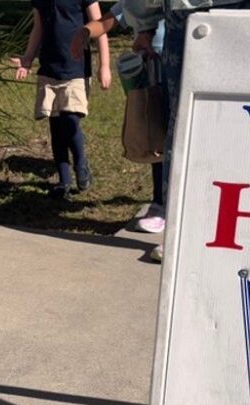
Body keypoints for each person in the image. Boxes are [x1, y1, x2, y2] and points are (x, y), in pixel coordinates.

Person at [74, 0, 250, 261]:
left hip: (242, 14)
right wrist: (144, 27)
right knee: (182, 127)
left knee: (242, 123)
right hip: (186, 21)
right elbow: (121, 15)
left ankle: (243, 229)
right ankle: (179, 230)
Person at [72, 8, 167, 236]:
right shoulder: (135, 2)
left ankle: (171, 202)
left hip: (179, 63)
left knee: (179, 134)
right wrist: (85, 31)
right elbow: (108, 21)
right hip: (150, 71)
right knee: (155, 134)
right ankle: (160, 203)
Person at [13, 0, 112, 200]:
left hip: (75, 68)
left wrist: (105, 65)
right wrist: (28, 58)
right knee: (55, 123)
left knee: (70, 119)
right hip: (49, 68)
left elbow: (100, 26)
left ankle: (81, 164)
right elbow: (38, 28)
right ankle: (63, 181)